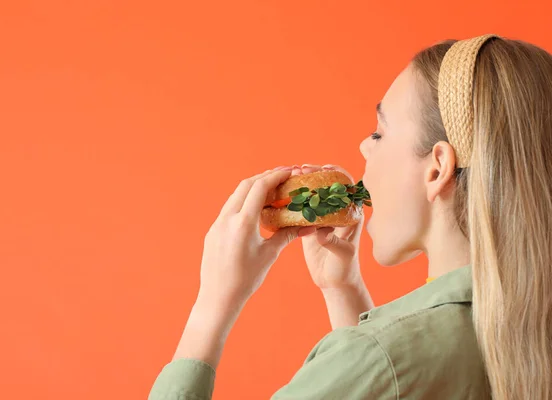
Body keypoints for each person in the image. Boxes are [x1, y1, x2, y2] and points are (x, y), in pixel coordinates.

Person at [149, 35, 552, 399]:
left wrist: (212, 307)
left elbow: (382, 368)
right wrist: (342, 289)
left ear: (437, 168)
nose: (363, 146)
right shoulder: (526, 327)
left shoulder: (377, 358)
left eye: (379, 133)